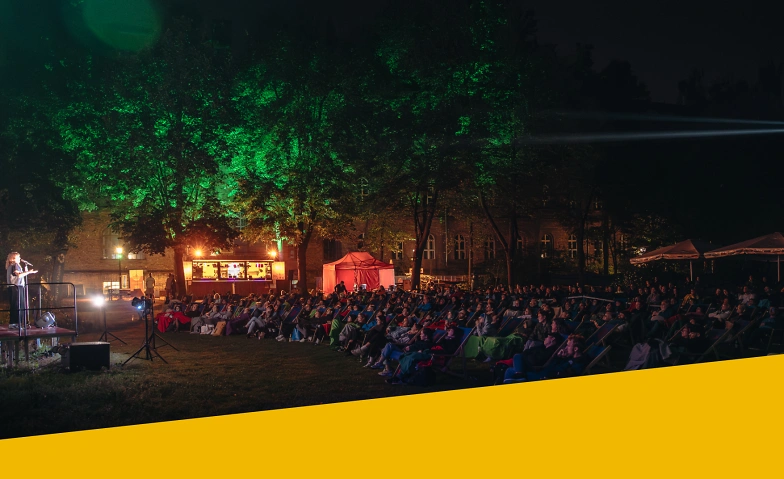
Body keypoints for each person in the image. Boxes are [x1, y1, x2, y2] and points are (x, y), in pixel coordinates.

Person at [6, 252, 38, 328]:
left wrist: (27, 272)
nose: (20, 258)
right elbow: (19, 275)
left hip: (12, 287)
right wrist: (29, 272)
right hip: (16, 287)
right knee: (18, 305)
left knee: (15, 305)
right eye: (18, 257)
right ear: (14, 258)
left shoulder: (10, 265)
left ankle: (14, 323)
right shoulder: (15, 265)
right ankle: (16, 323)